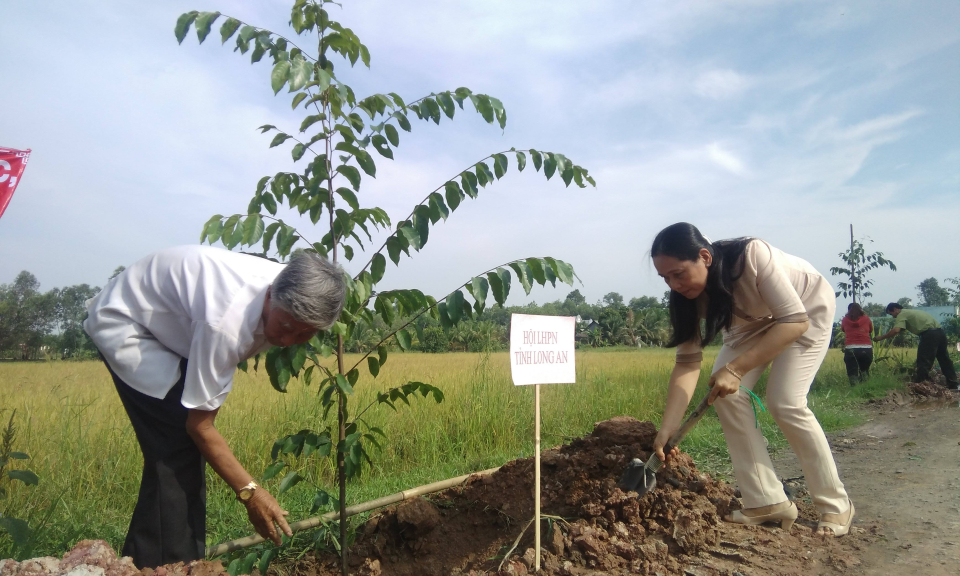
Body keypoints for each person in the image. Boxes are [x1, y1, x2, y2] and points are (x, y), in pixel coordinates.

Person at [83, 246, 346, 568]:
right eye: (287, 327)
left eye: (307, 333)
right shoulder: (227, 322)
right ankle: (168, 566)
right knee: (176, 447)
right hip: (128, 323)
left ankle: (162, 562)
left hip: (172, 325)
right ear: (270, 297)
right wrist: (251, 493)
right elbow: (200, 427)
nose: (290, 340)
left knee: (181, 448)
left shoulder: (288, 288)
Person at [649, 223, 854, 537]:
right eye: (665, 278)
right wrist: (668, 428)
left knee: (785, 402)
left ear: (705, 257)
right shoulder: (684, 299)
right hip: (749, 325)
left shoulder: (751, 256)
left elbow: (794, 321)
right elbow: (687, 363)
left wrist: (735, 369)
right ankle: (766, 500)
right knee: (725, 395)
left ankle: (835, 504)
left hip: (804, 310)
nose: (673, 285)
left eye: (678, 274)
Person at [874, 303, 959, 389]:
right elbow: (902, 329)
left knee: (924, 360)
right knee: (944, 360)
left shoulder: (901, 314)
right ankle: (953, 384)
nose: (893, 317)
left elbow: (896, 330)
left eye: (891, 314)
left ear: (895, 309)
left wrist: (881, 337)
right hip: (940, 333)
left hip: (929, 335)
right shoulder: (910, 312)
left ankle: (921, 384)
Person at [840, 303, 873, 386]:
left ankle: (855, 390)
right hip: (866, 348)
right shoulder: (866, 318)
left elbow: (843, 329)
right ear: (860, 309)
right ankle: (866, 389)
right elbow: (870, 330)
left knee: (852, 372)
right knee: (864, 371)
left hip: (851, 348)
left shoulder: (845, 319)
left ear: (849, 310)